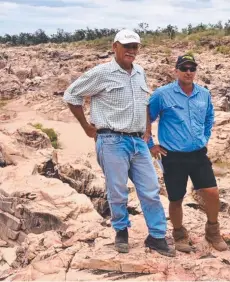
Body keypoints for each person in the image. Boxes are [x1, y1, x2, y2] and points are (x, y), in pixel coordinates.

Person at [63, 29, 175, 257]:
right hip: (111, 140)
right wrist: (86, 126)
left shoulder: (140, 72)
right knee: (118, 191)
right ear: (115, 47)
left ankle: (156, 235)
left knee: (151, 189)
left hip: (138, 142)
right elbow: (71, 95)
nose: (131, 51)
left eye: (135, 46)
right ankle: (121, 231)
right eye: (127, 46)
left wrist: (146, 130)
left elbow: (144, 103)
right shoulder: (102, 73)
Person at [147, 53, 228, 253]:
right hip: (172, 156)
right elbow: (147, 117)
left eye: (192, 69)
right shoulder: (162, 94)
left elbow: (209, 117)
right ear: (176, 71)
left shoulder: (204, 94)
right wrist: (151, 144)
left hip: (198, 154)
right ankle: (179, 234)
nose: (189, 72)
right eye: (184, 68)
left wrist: (205, 136)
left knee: (212, 192)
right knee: (176, 198)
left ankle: (212, 230)